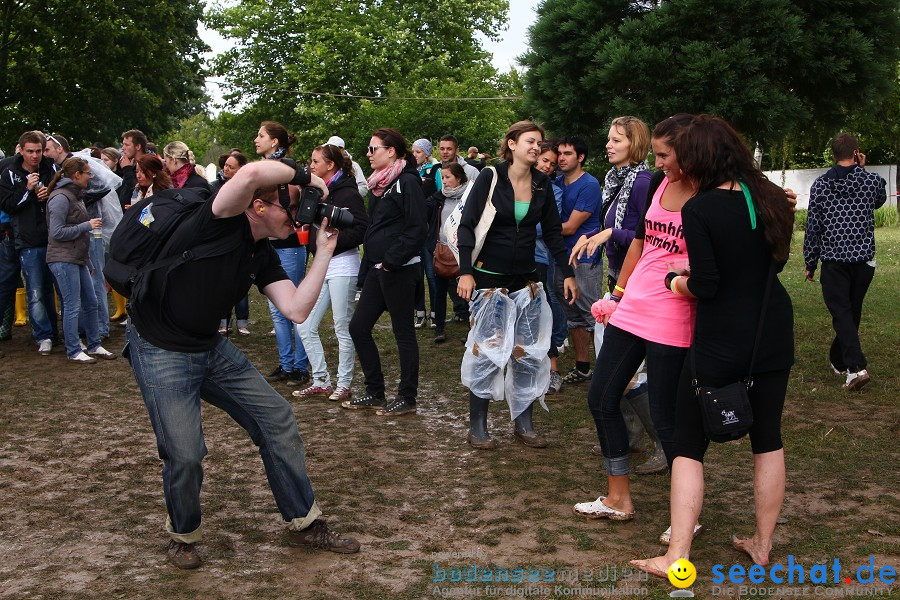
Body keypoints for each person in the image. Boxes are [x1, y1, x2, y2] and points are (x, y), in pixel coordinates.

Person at [123, 157, 359, 569]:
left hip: (207, 348)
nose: (302, 216)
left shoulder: (260, 253)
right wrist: (306, 175)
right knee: (186, 452)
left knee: (277, 418)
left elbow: (297, 310)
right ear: (259, 207)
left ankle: (304, 521)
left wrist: (324, 251)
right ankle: (183, 535)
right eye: (296, 206)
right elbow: (248, 175)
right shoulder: (217, 217)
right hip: (159, 346)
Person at [631, 115, 794, 576]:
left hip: (721, 337)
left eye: (676, 157)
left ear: (699, 157)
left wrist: (673, 279)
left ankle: (676, 555)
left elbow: (706, 284)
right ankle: (763, 543)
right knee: (768, 438)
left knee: (687, 444)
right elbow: (774, 265)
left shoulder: (699, 210)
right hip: (772, 330)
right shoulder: (768, 196)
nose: (671, 165)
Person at [571, 115, 696, 524]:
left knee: (666, 413)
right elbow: (641, 240)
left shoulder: (708, 193)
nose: (659, 163)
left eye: (665, 155)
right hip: (632, 305)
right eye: (657, 154)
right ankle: (618, 498)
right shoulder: (657, 184)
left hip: (672, 312)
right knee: (601, 397)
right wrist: (618, 295)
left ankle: (687, 515)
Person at [457, 120, 578, 449]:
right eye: (529, 141)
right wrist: (465, 271)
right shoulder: (490, 177)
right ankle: (477, 427)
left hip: (527, 282)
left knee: (528, 355)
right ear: (511, 144)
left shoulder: (542, 183)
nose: (536, 147)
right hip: (489, 280)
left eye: (540, 142)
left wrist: (567, 272)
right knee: (487, 352)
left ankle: (523, 424)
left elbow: (553, 232)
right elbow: (467, 225)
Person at [344, 128, 427, 416]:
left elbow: (417, 227)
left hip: (400, 269)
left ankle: (407, 397)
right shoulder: (381, 185)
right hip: (378, 269)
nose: (368, 154)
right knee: (358, 327)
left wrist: (392, 260)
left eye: (372, 149)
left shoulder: (407, 182)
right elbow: (375, 230)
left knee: (403, 332)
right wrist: (369, 269)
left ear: (391, 151)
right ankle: (375, 391)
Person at [804, 133, 886, 391]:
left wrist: (810, 261)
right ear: (856, 152)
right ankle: (839, 360)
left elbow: (813, 227)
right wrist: (862, 169)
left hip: (834, 260)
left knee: (843, 313)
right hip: (863, 261)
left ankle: (855, 368)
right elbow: (878, 201)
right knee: (850, 311)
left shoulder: (820, 186)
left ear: (833, 155)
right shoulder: (873, 181)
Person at [293, 143, 368, 401]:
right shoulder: (316, 191)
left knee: (342, 326)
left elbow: (360, 228)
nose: (311, 166)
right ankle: (321, 379)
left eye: (315, 161)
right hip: (320, 266)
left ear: (330, 165)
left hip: (343, 265)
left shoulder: (348, 192)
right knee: (304, 324)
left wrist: (333, 243)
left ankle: (344, 383)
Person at [44, 157, 117, 363]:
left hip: (78, 258)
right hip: (63, 259)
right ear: (77, 175)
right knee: (72, 304)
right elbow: (56, 232)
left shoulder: (75, 196)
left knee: (91, 302)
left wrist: (89, 262)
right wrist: (87, 225)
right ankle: (74, 349)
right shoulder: (60, 198)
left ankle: (94, 345)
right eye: (88, 173)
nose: (90, 177)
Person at [255, 121, 310, 386]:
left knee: (293, 306)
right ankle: (287, 363)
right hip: (267, 245)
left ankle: (300, 365)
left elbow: (298, 198)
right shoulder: (261, 170)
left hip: (289, 245)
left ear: (274, 142)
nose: (257, 139)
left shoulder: (288, 169)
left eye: (261, 135)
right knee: (276, 311)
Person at [0, 131, 59, 354]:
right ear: (21, 150)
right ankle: (42, 335)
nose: (35, 156)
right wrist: (28, 190)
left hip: (52, 236)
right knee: (33, 290)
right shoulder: (9, 172)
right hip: (23, 238)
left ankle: (52, 332)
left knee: (49, 289)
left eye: (38, 151)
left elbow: (61, 191)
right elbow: (8, 205)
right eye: (30, 152)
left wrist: (48, 193)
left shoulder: (50, 167)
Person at [554, 135, 603, 384]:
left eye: (568, 153)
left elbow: (572, 226)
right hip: (562, 257)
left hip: (584, 257)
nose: (561, 158)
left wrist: (535, 226)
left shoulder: (589, 185)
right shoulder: (557, 181)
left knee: (593, 315)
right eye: (559, 153)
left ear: (580, 157)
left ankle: (608, 372)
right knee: (572, 315)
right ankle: (583, 367)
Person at [532, 141, 568, 394]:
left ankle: (553, 370)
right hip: (511, 260)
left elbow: (545, 227)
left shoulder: (552, 190)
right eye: (545, 160)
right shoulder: (512, 181)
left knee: (542, 314)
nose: (547, 166)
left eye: (552, 164)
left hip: (540, 259)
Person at [427, 162, 469, 343]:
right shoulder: (438, 199)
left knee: (468, 293)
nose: (444, 181)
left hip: (464, 252)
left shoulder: (470, 197)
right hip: (441, 251)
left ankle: (472, 328)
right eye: (442, 178)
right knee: (438, 291)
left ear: (458, 178)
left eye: (448, 177)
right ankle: (440, 329)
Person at [213, 153, 251, 335]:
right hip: (221, 239)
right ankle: (223, 320)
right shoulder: (215, 186)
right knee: (221, 282)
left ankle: (242, 321)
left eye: (231, 166)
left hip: (240, 238)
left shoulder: (248, 189)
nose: (226, 169)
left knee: (240, 280)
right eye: (225, 166)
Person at [411, 138, 442, 327]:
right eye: (413, 152)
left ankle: (435, 313)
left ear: (427, 153)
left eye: (418, 152)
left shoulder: (436, 171)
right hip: (414, 230)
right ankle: (420, 311)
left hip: (430, 230)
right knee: (417, 274)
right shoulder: (411, 172)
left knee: (431, 273)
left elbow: (442, 195)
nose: (414, 155)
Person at [118, 129, 148, 208]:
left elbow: (139, 186)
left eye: (127, 145)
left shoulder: (148, 164)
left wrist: (127, 169)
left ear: (138, 146)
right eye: (123, 144)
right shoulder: (132, 164)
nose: (123, 148)